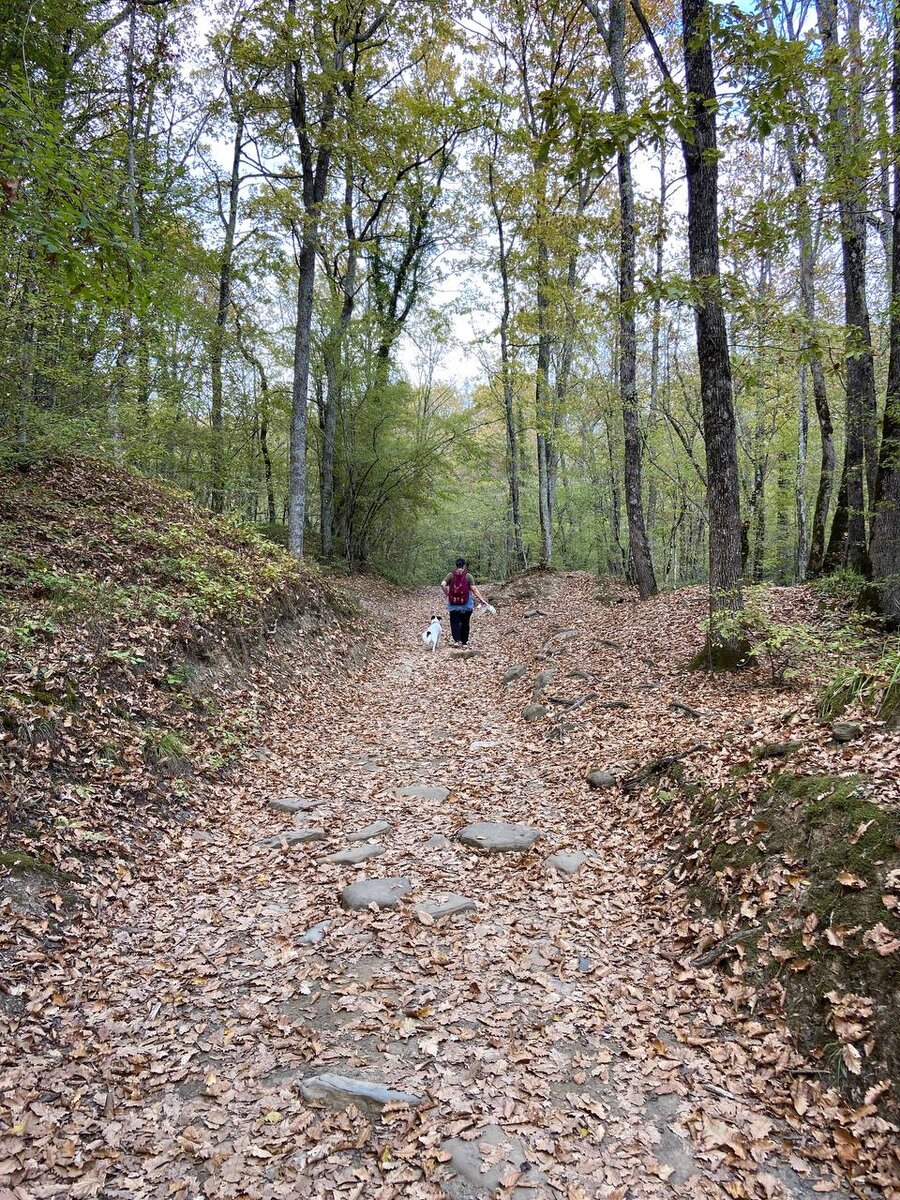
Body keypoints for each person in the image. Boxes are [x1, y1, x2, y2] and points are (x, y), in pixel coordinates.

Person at [440, 558, 488, 647]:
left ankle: (456, 641)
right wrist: (482, 599)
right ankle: (464, 642)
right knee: (465, 623)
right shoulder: (468, 576)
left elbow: (442, 584)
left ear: (456, 565)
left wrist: (447, 593)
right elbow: (474, 589)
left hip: (453, 604)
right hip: (467, 604)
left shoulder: (450, 575)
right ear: (464, 565)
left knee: (454, 622)